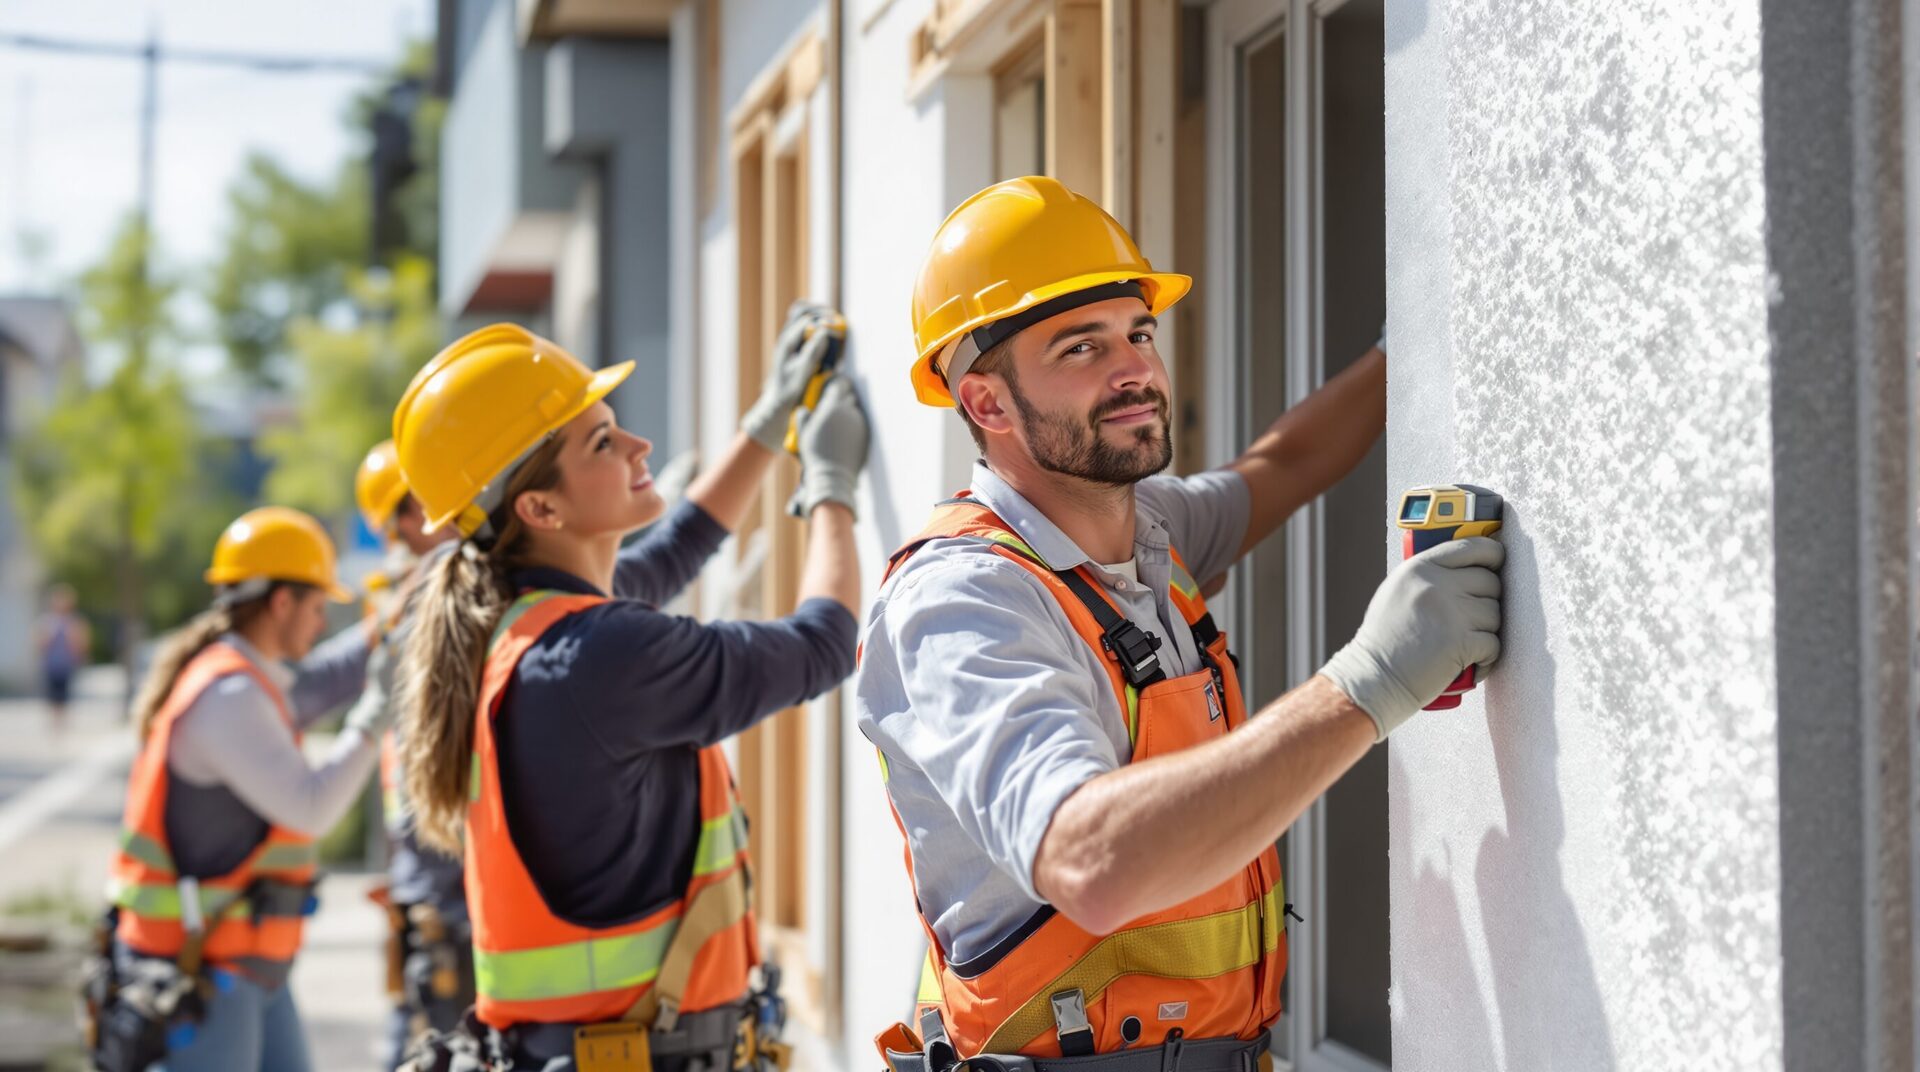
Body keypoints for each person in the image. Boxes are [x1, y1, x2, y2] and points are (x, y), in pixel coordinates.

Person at [856, 176, 1505, 1071]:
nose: (1134, 372)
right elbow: (1092, 861)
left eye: (1139, 334)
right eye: (1080, 348)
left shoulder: (1147, 528)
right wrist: (1374, 680)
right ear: (986, 404)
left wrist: (1418, 334)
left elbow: (1290, 463)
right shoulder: (963, 604)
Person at [391, 313, 867, 1070]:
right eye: (604, 443)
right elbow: (824, 645)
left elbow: (680, 545)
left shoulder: (521, 624)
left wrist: (771, 419)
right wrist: (832, 489)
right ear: (541, 510)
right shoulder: (598, 656)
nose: (641, 447)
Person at [95, 506, 383, 1072]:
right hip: (206, 971)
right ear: (282, 603)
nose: (322, 623)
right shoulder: (228, 698)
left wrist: (391, 632)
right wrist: (376, 716)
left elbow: (326, 678)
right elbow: (311, 808)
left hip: (241, 963)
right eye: (319, 606)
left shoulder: (243, 681)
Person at [355, 439, 468, 1070]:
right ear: (405, 516)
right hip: (436, 859)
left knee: (424, 1023)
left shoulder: (409, 592)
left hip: (429, 854)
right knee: (433, 1024)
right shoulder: (418, 598)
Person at [36, 583, 90, 730]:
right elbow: (40, 642)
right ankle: (55, 721)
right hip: (51, 663)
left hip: (66, 664)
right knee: (53, 694)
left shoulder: (74, 622)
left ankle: (62, 721)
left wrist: (79, 655)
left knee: (64, 694)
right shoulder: (47, 621)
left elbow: (81, 642)